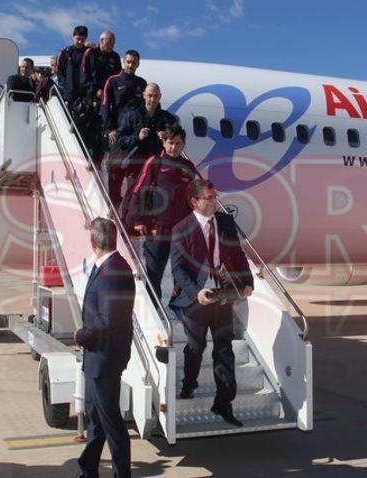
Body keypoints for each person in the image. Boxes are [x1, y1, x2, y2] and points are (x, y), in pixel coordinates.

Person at [170, 179, 254, 427]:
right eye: (210, 197)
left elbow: (237, 253)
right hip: (195, 298)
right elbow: (178, 269)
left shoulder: (226, 222)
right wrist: (197, 292)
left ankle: (224, 402)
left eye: (216, 196)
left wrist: (248, 281)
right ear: (195, 202)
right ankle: (189, 382)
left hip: (223, 293)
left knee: (224, 349)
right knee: (195, 347)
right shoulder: (181, 229)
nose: (216, 201)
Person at [75, 217, 134, 478]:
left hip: (104, 359)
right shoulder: (108, 266)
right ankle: (88, 470)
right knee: (95, 419)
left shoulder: (114, 270)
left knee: (111, 424)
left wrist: (81, 335)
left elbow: (107, 320)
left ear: (92, 241)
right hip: (97, 359)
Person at [126, 124, 196, 301]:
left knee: (182, 275)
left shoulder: (188, 167)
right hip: (157, 229)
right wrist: (139, 220)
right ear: (164, 142)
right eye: (171, 143)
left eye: (178, 144)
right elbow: (138, 191)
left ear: (184, 145)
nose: (174, 147)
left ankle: (181, 310)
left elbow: (193, 198)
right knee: (154, 275)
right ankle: (155, 314)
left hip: (181, 231)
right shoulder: (155, 162)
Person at [112, 83, 177, 211]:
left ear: (160, 97)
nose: (152, 99)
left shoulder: (167, 118)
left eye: (155, 96)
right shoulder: (132, 116)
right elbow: (120, 140)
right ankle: (125, 223)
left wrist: (167, 135)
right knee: (132, 197)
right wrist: (137, 138)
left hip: (156, 166)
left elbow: (178, 136)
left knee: (151, 200)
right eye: (149, 96)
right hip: (135, 166)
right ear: (144, 96)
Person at [101, 50, 147, 147]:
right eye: (128, 62)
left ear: (138, 64)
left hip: (135, 130)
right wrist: (108, 128)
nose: (130, 65)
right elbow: (105, 105)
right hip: (116, 130)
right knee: (116, 160)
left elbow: (146, 106)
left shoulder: (142, 83)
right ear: (124, 62)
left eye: (134, 63)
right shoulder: (113, 81)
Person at [82, 31, 121, 106]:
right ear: (101, 41)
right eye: (109, 43)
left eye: (113, 44)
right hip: (91, 97)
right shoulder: (91, 53)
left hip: (109, 98)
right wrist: (95, 91)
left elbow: (118, 77)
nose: (112, 46)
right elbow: (84, 74)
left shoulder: (115, 57)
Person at [55, 25, 89, 104]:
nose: (80, 42)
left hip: (84, 94)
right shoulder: (65, 53)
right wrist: (65, 92)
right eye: (78, 39)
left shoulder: (89, 53)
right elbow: (60, 73)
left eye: (82, 39)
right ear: (73, 37)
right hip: (68, 94)